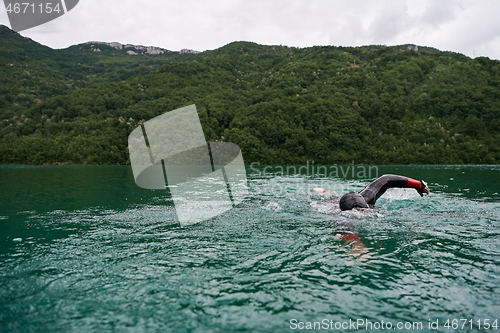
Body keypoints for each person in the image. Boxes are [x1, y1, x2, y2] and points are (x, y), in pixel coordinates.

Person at [314, 174, 429, 211]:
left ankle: (323, 190)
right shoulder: (347, 217)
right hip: (335, 206)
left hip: (345, 200)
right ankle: (321, 191)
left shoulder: (367, 199)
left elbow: (386, 179)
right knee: (331, 199)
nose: (364, 215)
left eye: (364, 210)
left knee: (332, 195)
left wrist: (419, 185)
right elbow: (348, 232)